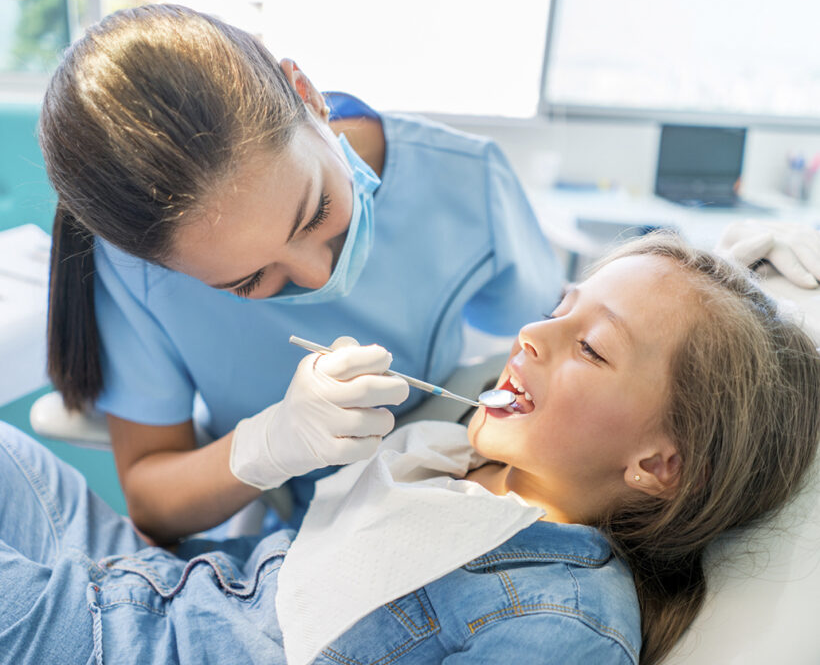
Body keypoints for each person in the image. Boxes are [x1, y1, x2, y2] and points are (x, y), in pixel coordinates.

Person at [2, 234, 818, 665]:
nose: (532, 334)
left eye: (591, 348)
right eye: (559, 309)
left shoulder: (565, 623)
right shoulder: (445, 467)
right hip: (153, 586)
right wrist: (273, 442)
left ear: (658, 465)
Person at [39, 4, 564, 543]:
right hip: (302, 537)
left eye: (316, 213)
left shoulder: (466, 178)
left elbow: (553, 348)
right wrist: (269, 446)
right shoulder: (132, 273)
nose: (318, 276)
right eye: (246, 281)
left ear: (306, 93)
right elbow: (152, 501)